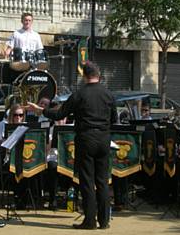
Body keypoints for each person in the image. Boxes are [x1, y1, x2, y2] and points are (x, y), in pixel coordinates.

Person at [27, 61, 116, 230]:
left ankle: (90, 221)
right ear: (99, 75)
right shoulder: (109, 94)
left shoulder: (79, 94)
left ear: (84, 76)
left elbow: (60, 113)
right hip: (104, 139)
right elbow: (114, 120)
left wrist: (41, 110)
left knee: (87, 181)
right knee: (103, 181)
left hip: (86, 138)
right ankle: (104, 221)